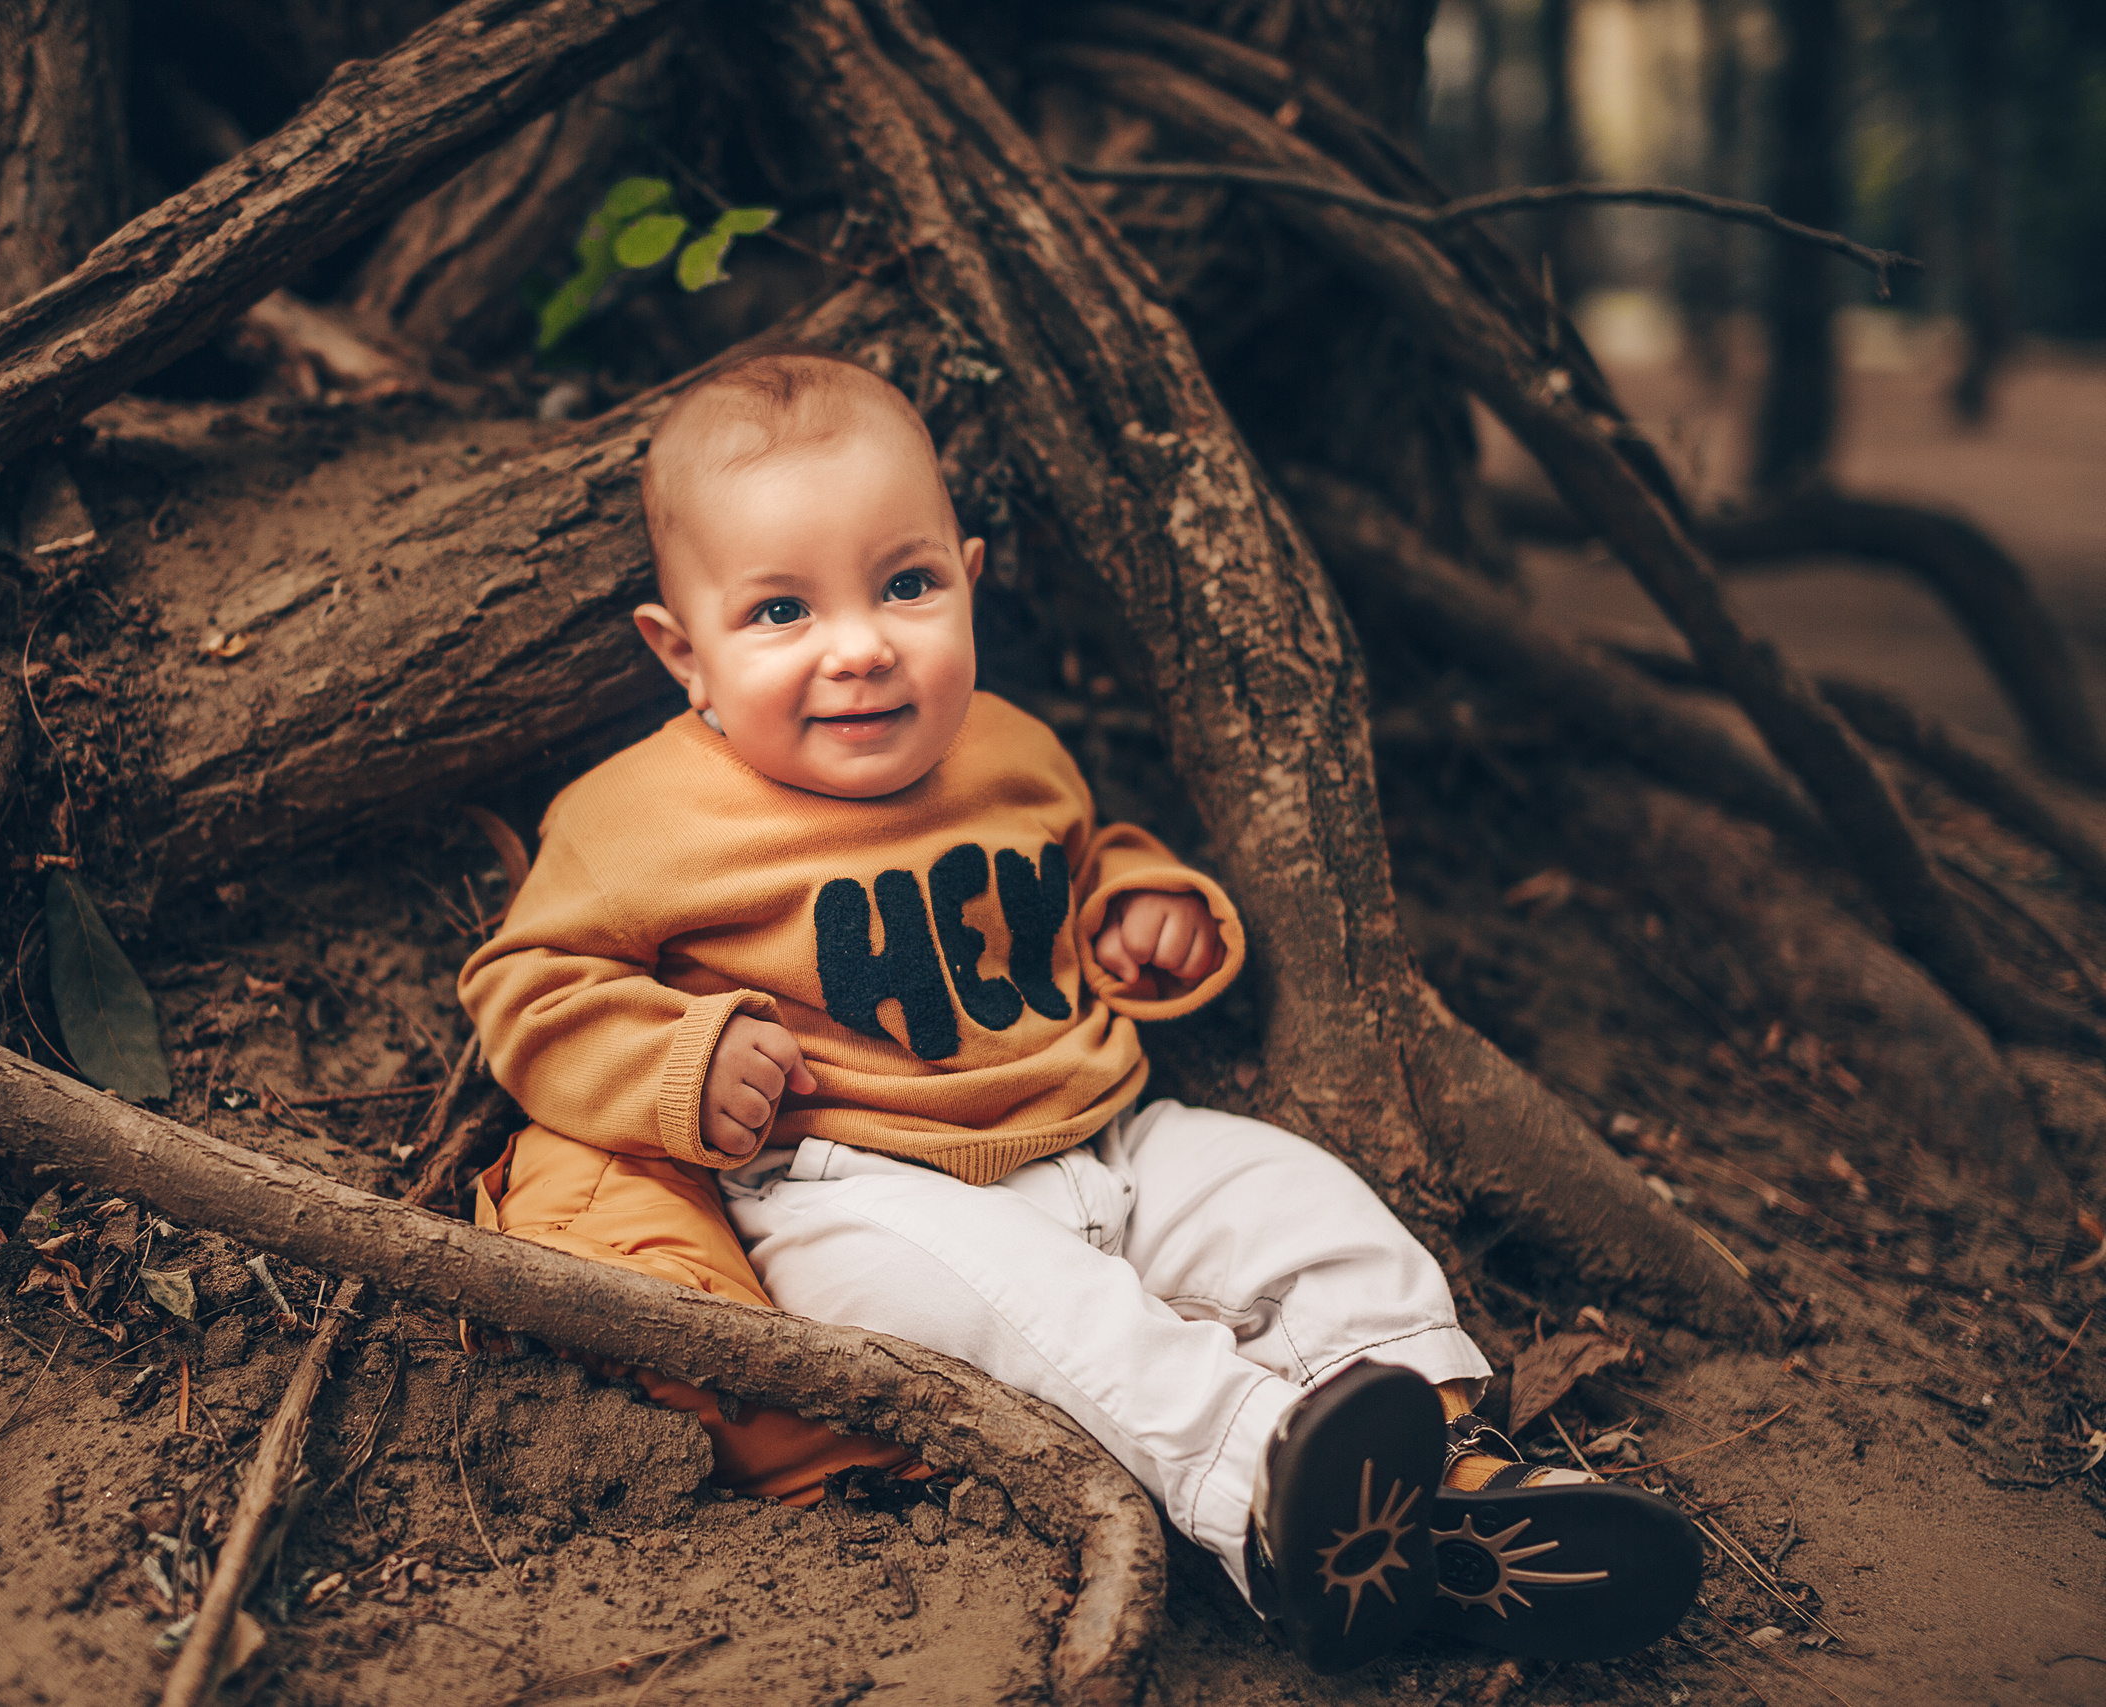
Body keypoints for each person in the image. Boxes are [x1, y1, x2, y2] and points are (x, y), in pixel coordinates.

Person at [458, 346, 1698, 1673]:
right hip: (849, 1189)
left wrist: (1141, 908)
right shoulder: (636, 816)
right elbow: (525, 986)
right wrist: (677, 1061)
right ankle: (1277, 1501)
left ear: (969, 585)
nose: (863, 646)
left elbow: (1083, 856)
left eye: (908, 585)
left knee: (1300, 1202)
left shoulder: (1008, 746)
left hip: (1101, 1139)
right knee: (1051, 1319)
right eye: (780, 614)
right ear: (682, 653)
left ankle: (1444, 1460)